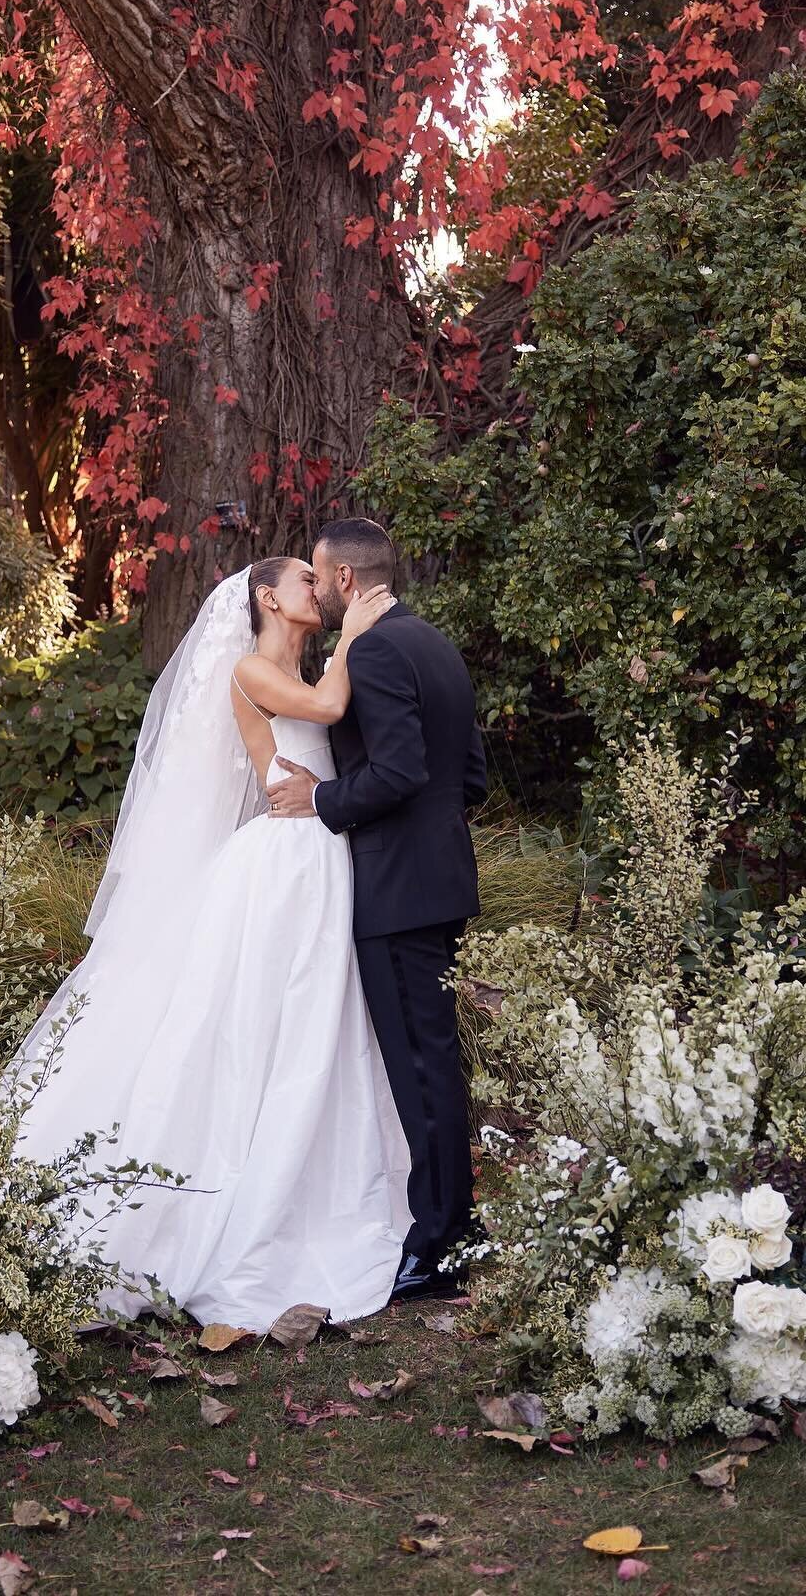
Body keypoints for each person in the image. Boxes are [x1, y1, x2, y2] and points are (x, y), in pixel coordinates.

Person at [5, 559, 414, 1328]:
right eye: (302, 579)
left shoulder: (306, 663)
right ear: (267, 599)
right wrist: (361, 629)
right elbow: (326, 709)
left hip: (322, 852)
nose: (317, 590)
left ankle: (318, 1180)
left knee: (317, 1028)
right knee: (264, 1026)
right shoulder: (249, 669)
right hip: (285, 861)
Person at [266, 518, 486, 1302]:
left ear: (347, 581)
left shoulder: (379, 651)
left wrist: (319, 797)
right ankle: (458, 1225)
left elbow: (396, 772)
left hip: (398, 892)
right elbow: (470, 775)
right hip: (439, 881)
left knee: (422, 1070)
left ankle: (437, 1245)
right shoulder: (433, 642)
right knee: (434, 1066)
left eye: (320, 580)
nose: (318, 593)